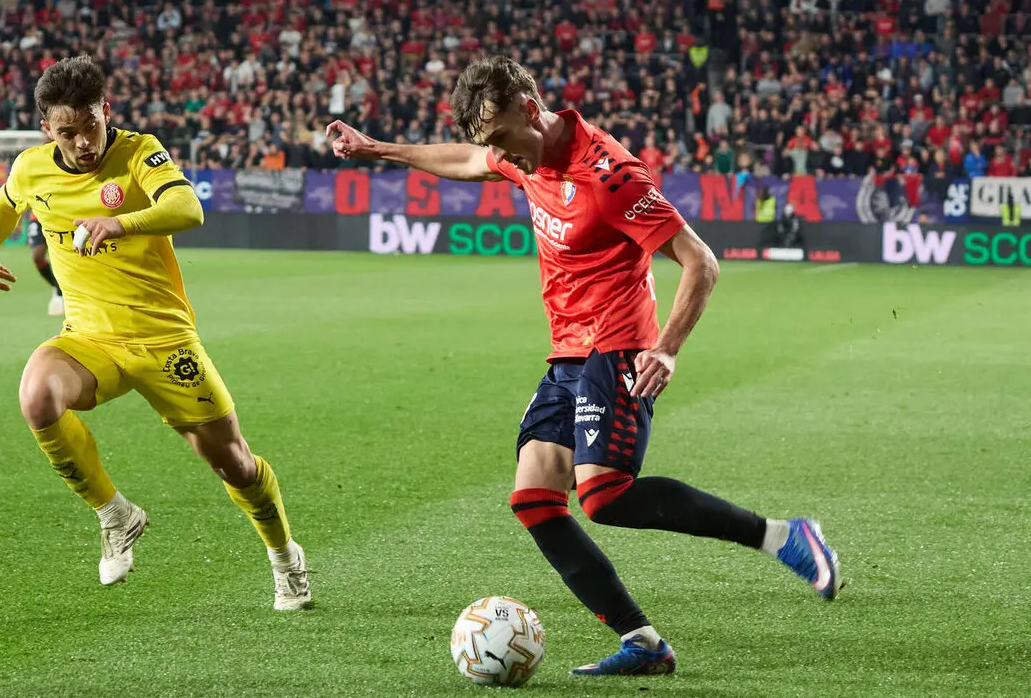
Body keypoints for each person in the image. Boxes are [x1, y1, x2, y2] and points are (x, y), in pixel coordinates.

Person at [328, 55, 839, 676]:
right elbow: (466, 161)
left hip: (620, 344)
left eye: (501, 140)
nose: (500, 156)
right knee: (535, 498)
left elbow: (700, 261)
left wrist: (668, 348)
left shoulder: (610, 175)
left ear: (528, 110)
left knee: (602, 495)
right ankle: (644, 644)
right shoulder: (524, 154)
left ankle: (784, 538)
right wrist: (375, 148)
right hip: (567, 350)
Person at [0, 56, 312, 609]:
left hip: (164, 341)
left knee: (235, 464)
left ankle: (284, 557)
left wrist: (119, 221)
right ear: (46, 131)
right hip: (90, 340)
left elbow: (187, 207)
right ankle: (116, 515)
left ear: (107, 110)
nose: (83, 142)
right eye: (68, 132)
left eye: (90, 126)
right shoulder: (32, 168)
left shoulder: (138, 151)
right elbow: (6, 203)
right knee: (37, 394)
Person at [27, 215, 65, 315]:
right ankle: (57, 286)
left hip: (58, 216)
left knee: (61, 256)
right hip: (37, 217)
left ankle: (60, 292)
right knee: (37, 256)